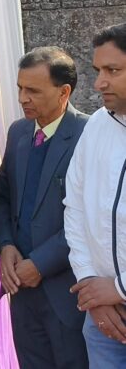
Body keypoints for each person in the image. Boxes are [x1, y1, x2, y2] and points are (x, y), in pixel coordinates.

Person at [0, 47, 88, 368]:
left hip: (69, 292)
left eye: (33, 90)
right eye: (20, 88)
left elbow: (91, 218)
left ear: (64, 92)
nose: (23, 98)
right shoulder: (19, 131)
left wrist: (41, 264)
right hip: (22, 289)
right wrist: (6, 245)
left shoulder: (89, 135)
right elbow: (1, 196)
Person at [64, 23, 126, 366]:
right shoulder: (98, 125)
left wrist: (119, 288)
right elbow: (74, 207)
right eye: (98, 70)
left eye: (112, 70)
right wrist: (90, 283)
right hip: (102, 316)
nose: (99, 83)